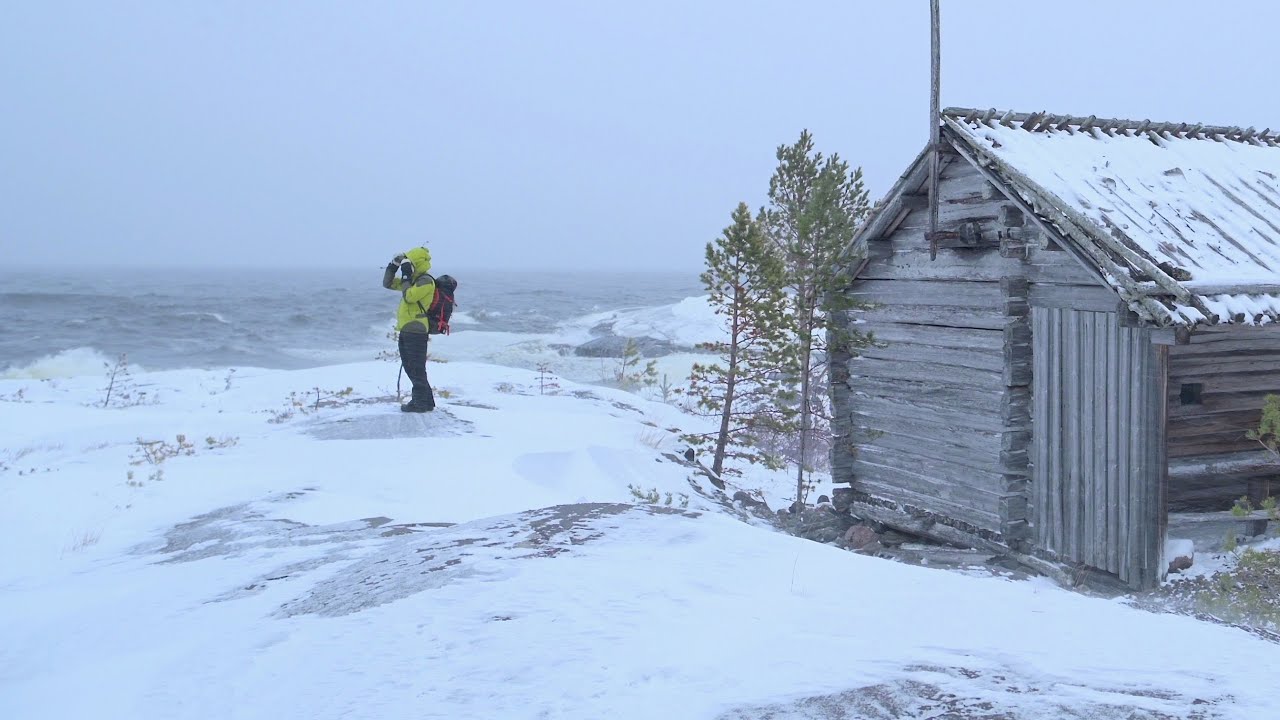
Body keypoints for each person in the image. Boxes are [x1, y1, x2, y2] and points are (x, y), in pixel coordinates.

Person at [383, 247, 437, 412]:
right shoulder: (413, 281)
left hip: (416, 330)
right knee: (411, 366)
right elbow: (388, 284)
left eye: (409, 263)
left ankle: (419, 403)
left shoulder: (426, 281)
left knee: (415, 367)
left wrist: (406, 275)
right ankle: (427, 401)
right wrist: (393, 266)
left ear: (416, 263)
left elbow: (409, 297)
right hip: (408, 329)